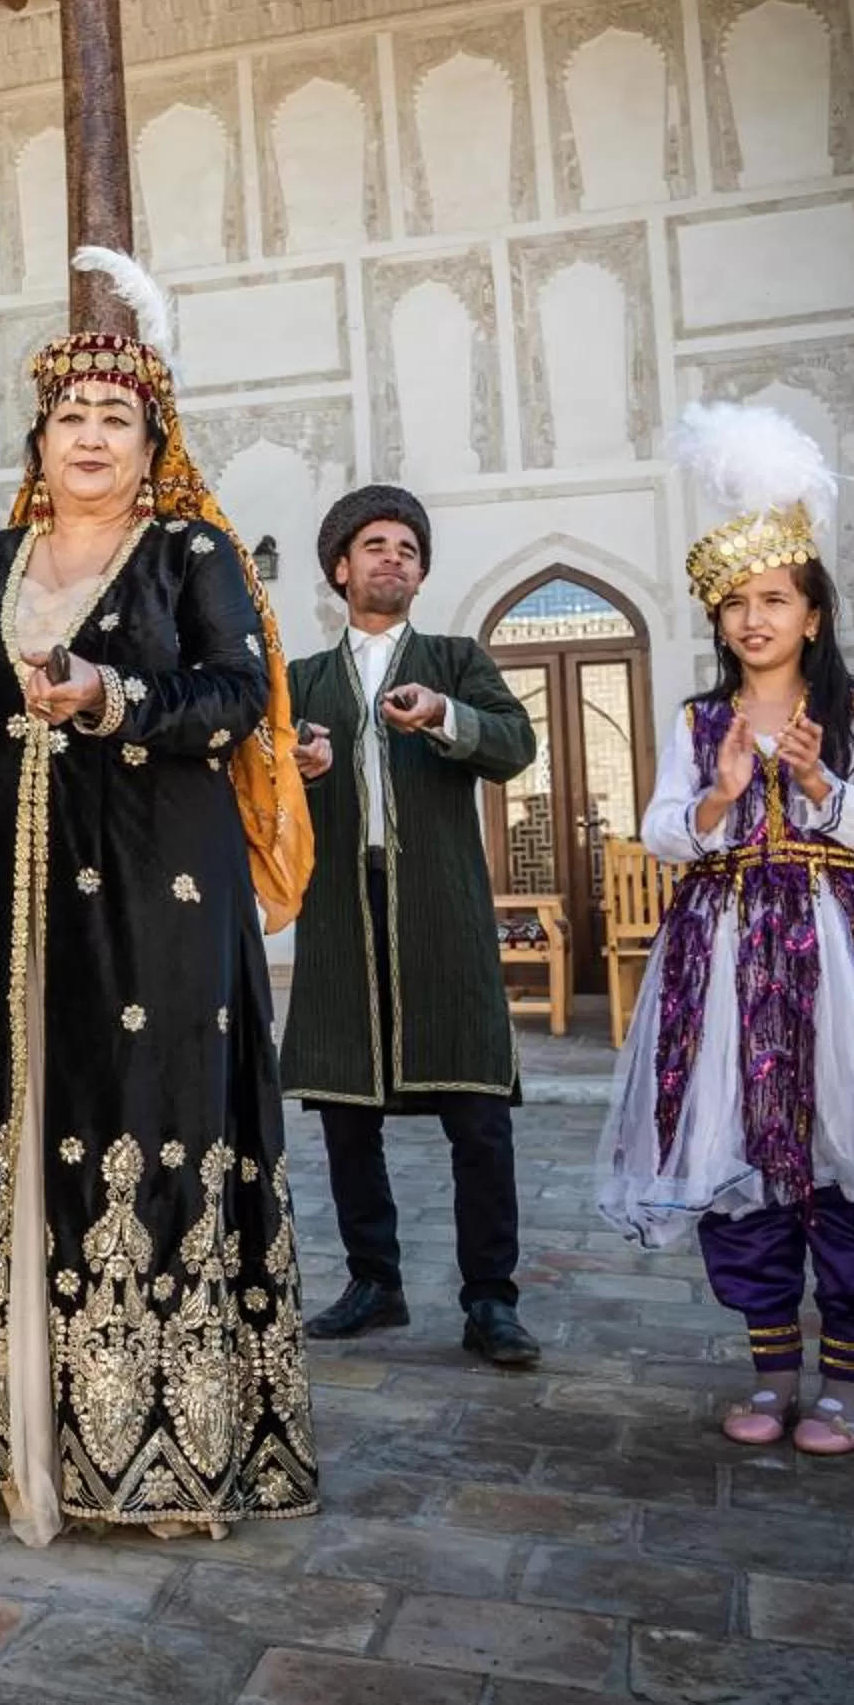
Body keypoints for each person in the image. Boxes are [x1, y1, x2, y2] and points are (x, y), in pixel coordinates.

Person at [0, 247, 318, 1544]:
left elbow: (231, 698)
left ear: (152, 442)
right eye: (70, 415)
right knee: (25, 1137)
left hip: (161, 908)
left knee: (148, 1135)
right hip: (17, 916)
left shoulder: (187, 554)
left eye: (118, 416)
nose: (92, 433)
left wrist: (113, 697)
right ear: (39, 438)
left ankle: (173, 1444)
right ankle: (30, 1422)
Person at [597, 403, 854, 1455]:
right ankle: (773, 1372)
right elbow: (661, 833)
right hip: (727, 952)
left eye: (774, 598)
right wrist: (721, 795)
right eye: (734, 603)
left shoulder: (852, 708)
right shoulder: (699, 722)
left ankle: (850, 1382)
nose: (752, 618)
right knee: (738, 1146)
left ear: (813, 615)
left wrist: (820, 779)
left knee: (848, 1146)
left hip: (832, 947)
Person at [280, 486, 544, 1369]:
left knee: (477, 1116)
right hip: (339, 917)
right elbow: (259, 785)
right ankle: (374, 1282)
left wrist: (444, 716)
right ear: (340, 570)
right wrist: (299, 763)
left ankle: (490, 1301)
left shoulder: (454, 659)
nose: (393, 557)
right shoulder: (302, 682)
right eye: (375, 546)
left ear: (421, 572)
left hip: (442, 910)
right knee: (347, 1115)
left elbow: (514, 744)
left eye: (407, 548)